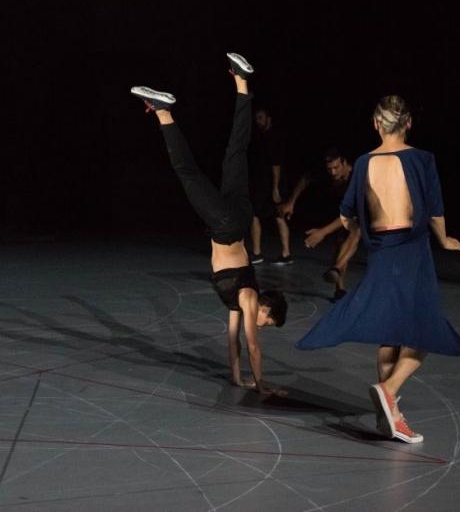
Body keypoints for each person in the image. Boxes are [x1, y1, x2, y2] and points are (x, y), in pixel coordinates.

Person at [296, 95, 460, 443]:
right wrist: (445, 240)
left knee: (389, 332)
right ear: (408, 124)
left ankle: (386, 418)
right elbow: (435, 210)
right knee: (425, 329)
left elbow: (347, 215)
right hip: (412, 251)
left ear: (376, 125)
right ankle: (389, 391)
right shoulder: (422, 159)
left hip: (382, 253)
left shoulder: (362, 163)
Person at [131, 53, 288, 396]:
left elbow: (231, 340)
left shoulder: (240, 301)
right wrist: (263, 387)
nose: (262, 326)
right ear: (266, 308)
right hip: (227, 224)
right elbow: (253, 346)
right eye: (268, 321)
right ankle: (163, 110)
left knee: (236, 150)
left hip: (238, 217)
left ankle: (243, 82)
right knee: (187, 171)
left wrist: (236, 378)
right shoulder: (248, 298)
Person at [279, 148, 361, 299]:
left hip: (366, 210)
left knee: (355, 231)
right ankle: (339, 289)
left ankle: (336, 268)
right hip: (342, 207)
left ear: (345, 163)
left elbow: (349, 216)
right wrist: (291, 202)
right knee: (340, 242)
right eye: (330, 169)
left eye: (336, 167)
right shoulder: (326, 172)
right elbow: (306, 179)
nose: (333, 172)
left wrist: (322, 232)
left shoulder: (356, 177)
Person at [249, 106, 293, 266]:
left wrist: (275, 188)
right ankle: (280, 254)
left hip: (272, 185)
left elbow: (276, 164)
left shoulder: (273, 137)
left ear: (269, 119)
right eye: (257, 118)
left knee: (273, 215)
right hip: (263, 184)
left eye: (261, 117)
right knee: (265, 215)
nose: (258, 121)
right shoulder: (262, 137)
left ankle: (261, 253)